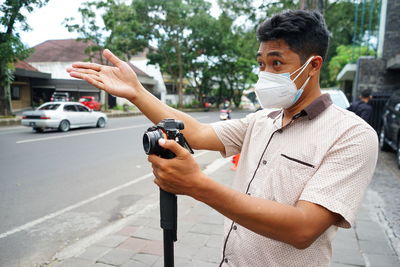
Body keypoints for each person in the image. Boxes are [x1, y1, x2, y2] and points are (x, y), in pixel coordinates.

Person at [67, 10, 378, 267]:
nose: (265, 73)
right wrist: (137, 92)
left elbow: (303, 228)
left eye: (277, 63)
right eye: (261, 64)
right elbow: (199, 134)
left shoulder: (351, 135)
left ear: (313, 66)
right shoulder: (262, 119)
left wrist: (198, 186)